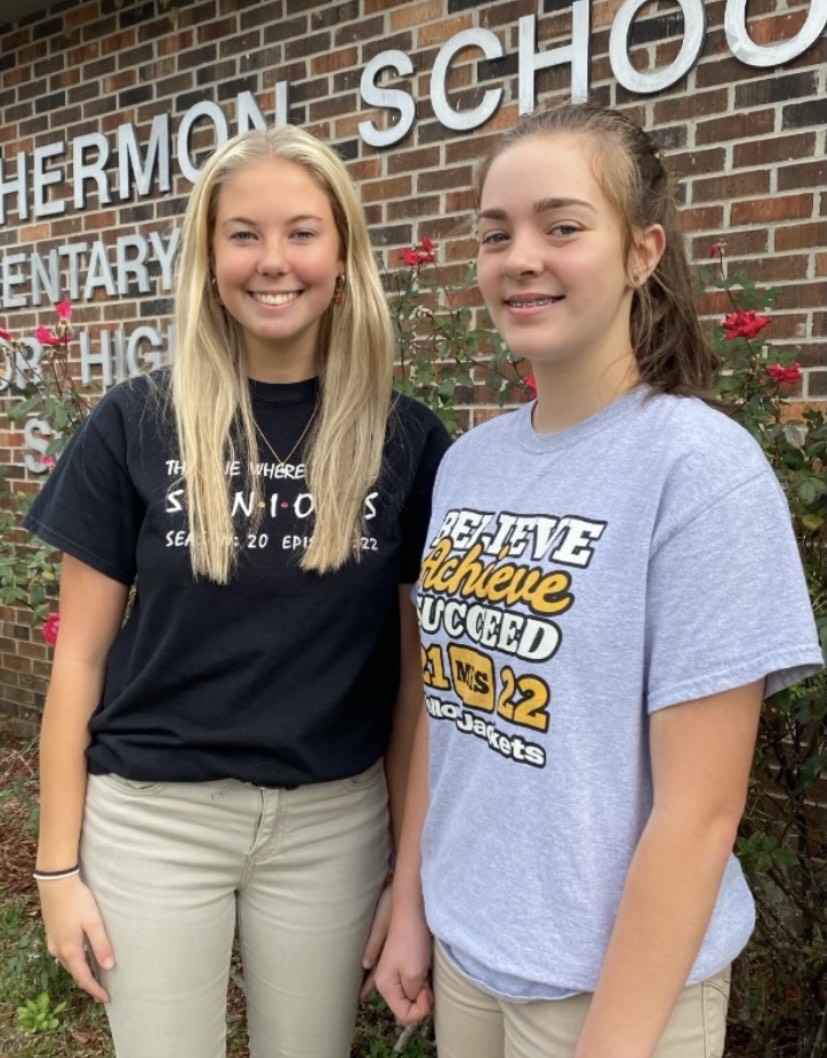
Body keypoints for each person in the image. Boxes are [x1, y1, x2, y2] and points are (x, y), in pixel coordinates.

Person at [375, 102, 822, 1058]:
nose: (520, 258)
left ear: (640, 252)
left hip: (616, 996)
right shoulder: (470, 464)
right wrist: (411, 904)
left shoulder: (697, 468)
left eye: (562, 226)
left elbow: (699, 813)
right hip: (468, 956)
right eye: (496, 234)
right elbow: (451, 714)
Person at [25, 125, 450, 1058]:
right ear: (209, 259)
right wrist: (56, 869)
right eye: (243, 234)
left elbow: (420, 690)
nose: (272, 261)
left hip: (332, 823)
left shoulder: (407, 440)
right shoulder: (136, 422)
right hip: (155, 821)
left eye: (301, 232)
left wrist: (406, 878)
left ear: (343, 255)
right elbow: (79, 659)